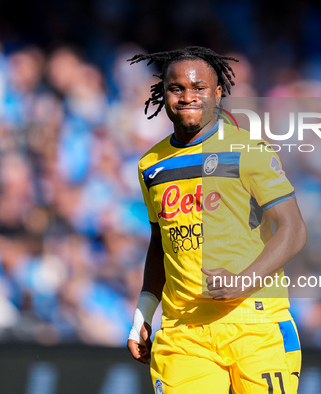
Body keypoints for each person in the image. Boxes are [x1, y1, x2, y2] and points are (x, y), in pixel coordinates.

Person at [126, 46, 307, 394]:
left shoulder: (248, 150)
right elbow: (160, 242)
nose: (187, 97)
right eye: (177, 88)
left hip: (256, 324)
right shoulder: (150, 164)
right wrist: (144, 312)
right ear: (163, 93)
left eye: (199, 88)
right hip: (183, 333)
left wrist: (242, 281)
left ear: (218, 93)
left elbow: (294, 229)